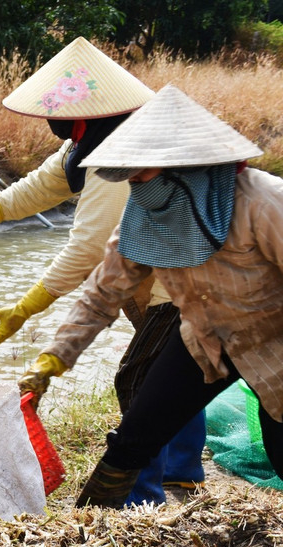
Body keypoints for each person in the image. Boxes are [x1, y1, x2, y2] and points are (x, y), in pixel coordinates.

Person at [0, 36, 205, 505]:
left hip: (194, 284)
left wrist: (27, 307)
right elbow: (33, 190)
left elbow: (90, 248)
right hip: (164, 277)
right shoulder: (91, 142)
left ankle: (142, 496)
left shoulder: (124, 152)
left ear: (85, 113)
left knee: (142, 382)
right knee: (179, 373)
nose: (55, 124)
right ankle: (181, 471)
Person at [18, 85, 283, 507]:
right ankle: (91, 530)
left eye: (141, 175)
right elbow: (102, 292)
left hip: (273, 343)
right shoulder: (146, 211)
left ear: (187, 167)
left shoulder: (263, 201)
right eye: (130, 178)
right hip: (203, 339)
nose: (136, 188)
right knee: (131, 441)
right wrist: (55, 357)